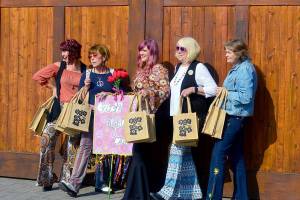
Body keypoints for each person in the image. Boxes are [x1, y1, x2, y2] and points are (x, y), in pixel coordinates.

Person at [150, 37, 217, 200]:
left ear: (191, 50)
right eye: (177, 48)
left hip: (190, 119)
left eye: (183, 49)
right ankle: (192, 193)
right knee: (185, 156)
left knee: (176, 152)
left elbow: (214, 89)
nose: (178, 51)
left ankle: (165, 193)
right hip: (176, 118)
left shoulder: (198, 67)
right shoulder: (179, 67)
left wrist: (193, 89)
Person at [59, 44, 121, 197]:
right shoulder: (86, 74)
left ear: (104, 57)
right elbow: (80, 97)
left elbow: (121, 94)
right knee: (85, 147)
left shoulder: (113, 74)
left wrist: (109, 93)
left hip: (107, 116)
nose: (92, 58)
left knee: (104, 149)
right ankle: (74, 184)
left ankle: (102, 183)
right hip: (91, 116)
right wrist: (85, 88)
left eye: (95, 55)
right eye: (90, 56)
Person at [206, 39, 257, 200]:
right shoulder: (237, 69)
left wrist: (224, 92)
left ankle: (213, 196)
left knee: (218, 155)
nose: (225, 55)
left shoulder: (245, 70)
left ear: (238, 53)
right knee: (237, 157)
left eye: (228, 52)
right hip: (234, 117)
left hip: (234, 118)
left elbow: (246, 97)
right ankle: (242, 196)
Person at [32, 39, 86, 191]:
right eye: (63, 52)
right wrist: (53, 87)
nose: (64, 55)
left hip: (75, 111)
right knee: (46, 142)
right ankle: (46, 178)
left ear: (75, 53)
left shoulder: (84, 69)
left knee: (72, 146)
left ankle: (67, 180)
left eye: (68, 52)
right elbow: (38, 76)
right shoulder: (59, 66)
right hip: (58, 109)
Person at [122, 39, 170, 200]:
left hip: (152, 118)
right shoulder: (142, 70)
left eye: (144, 50)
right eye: (140, 50)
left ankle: (137, 194)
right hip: (140, 116)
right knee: (140, 154)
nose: (141, 53)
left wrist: (148, 93)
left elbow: (165, 91)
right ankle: (139, 193)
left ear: (152, 52)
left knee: (140, 153)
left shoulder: (159, 69)